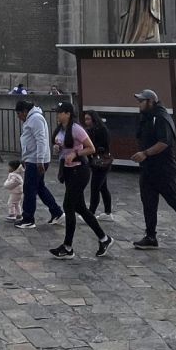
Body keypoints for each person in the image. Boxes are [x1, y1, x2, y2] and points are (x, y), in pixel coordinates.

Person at [129, 89, 176, 250]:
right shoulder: (147, 118)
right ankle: (150, 236)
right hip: (148, 168)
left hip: (163, 168)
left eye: (142, 101)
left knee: (174, 201)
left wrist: (145, 153)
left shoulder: (161, 118)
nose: (139, 104)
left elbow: (164, 142)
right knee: (148, 202)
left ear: (151, 102)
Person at [50, 102, 111, 259]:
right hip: (69, 171)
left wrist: (76, 154)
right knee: (80, 208)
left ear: (68, 113)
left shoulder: (76, 129)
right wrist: (59, 149)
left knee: (68, 206)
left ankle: (68, 247)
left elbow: (91, 148)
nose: (57, 115)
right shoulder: (61, 130)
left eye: (60, 112)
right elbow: (63, 146)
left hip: (79, 170)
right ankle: (104, 238)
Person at [15, 101, 63, 228]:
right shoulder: (32, 119)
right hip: (33, 158)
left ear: (25, 111)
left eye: (19, 114)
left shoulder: (35, 119)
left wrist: (40, 160)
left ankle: (28, 219)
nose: (18, 117)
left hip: (36, 160)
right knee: (40, 187)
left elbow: (41, 140)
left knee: (29, 188)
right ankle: (57, 212)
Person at [81, 110, 114, 217]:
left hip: (101, 162)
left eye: (88, 119)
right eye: (85, 119)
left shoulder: (101, 130)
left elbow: (103, 146)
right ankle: (108, 212)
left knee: (95, 187)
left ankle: (91, 212)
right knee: (103, 187)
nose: (87, 122)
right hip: (96, 162)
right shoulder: (90, 130)